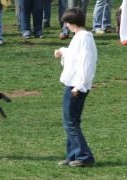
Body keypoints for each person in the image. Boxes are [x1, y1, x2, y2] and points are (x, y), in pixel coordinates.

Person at [54, 8, 97, 167]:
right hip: (74, 85)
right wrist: (62, 52)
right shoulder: (79, 37)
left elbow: (85, 64)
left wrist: (78, 86)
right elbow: (74, 55)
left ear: (72, 23)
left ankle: (84, 157)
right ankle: (73, 155)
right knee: (71, 122)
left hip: (76, 87)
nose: (66, 25)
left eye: (67, 22)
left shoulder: (84, 38)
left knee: (70, 123)